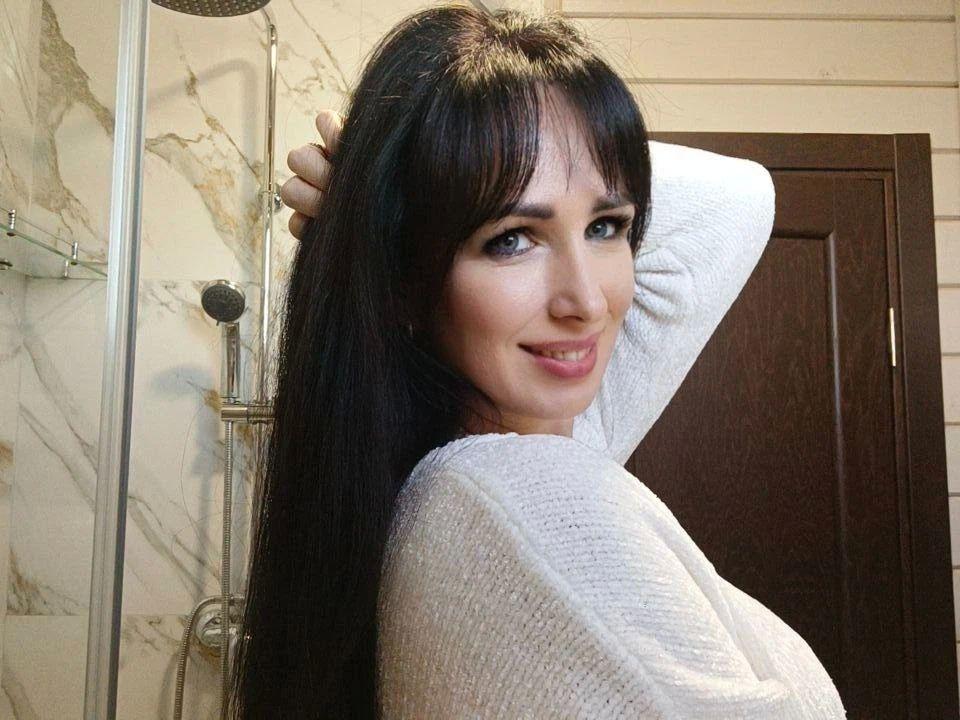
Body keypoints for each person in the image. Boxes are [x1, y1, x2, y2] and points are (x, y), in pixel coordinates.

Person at [232, 5, 847, 719]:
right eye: (512, 240)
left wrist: (404, 172)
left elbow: (738, 202)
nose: (586, 302)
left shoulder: (519, 449)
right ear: (402, 280)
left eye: (606, 227)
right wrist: (396, 180)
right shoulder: (521, 498)